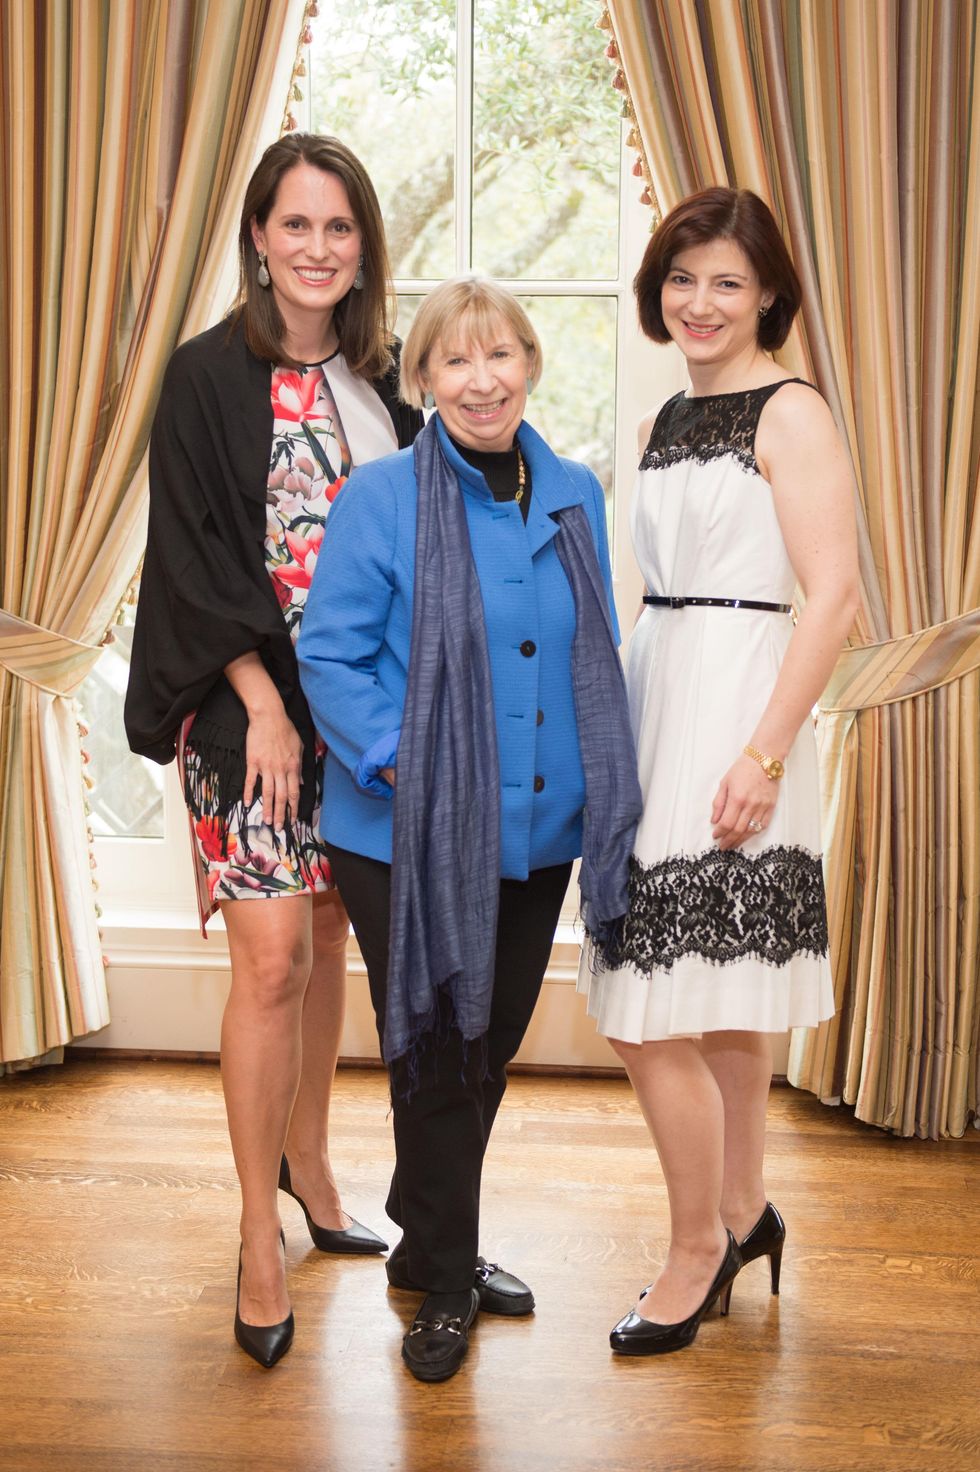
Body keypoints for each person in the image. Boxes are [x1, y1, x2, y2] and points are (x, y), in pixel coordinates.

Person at [296, 277, 641, 1383]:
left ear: (529, 364)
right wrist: (404, 759)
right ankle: (444, 1272)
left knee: (485, 1041)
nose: (480, 379)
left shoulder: (576, 488)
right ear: (424, 380)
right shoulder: (381, 495)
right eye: (454, 361)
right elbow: (329, 653)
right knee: (441, 1040)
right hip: (405, 819)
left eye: (498, 357)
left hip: (539, 823)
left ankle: (422, 1224)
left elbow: (588, 654)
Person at [125, 133, 422, 1368]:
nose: (316, 248)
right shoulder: (204, 375)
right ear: (257, 237)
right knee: (272, 960)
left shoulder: (386, 380)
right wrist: (259, 699)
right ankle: (258, 1228)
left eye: (338, 226)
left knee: (331, 944)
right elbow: (193, 551)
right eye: (293, 225)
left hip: (358, 714)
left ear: (363, 247)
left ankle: (310, 1162)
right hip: (242, 711)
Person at [577, 188, 859, 1356]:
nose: (699, 302)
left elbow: (833, 596)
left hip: (741, 708)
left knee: (650, 1012)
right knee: (718, 1002)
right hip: (662, 690)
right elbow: (642, 592)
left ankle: (696, 1245)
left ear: (767, 297)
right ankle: (742, 1213)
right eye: (682, 278)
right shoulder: (660, 418)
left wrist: (762, 751)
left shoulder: (790, 412)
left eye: (725, 283)